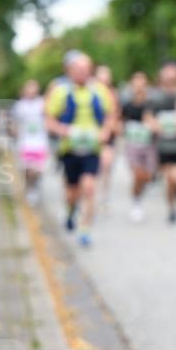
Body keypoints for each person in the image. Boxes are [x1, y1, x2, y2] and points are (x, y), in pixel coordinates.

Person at [45, 51, 115, 247]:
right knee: (72, 192)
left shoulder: (100, 90)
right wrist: (63, 130)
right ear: (70, 71)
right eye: (79, 69)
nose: (83, 73)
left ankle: (85, 229)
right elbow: (49, 119)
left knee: (90, 187)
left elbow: (111, 114)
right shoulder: (61, 92)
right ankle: (70, 210)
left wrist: (105, 132)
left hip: (92, 148)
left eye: (86, 69)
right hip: (70, 148)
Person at [149, 61, 176, 224]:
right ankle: (172, 208)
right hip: (163, 145)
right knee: (170, 179)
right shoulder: (155, 96)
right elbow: (148, 117)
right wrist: (156, 126)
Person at [120, 72, 156, 223]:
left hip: (149, 144)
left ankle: (139, 193)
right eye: (136, 85)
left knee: (147, 176)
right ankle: (136, 201)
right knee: (137, 174)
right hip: (133, 144)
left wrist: (152, 124)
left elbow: (156, 123)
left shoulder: (151, 104)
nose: (139, 88)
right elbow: (120, 122)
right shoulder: (127, 105)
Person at [11, 79, 49, 207]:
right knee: (27, 170)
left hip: (39, 142)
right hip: (25, 142)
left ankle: (35, 187)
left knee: (37, 169)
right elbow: (14, 123)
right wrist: (14, 131)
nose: (31, 91)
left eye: (34, 88)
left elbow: (50, 118)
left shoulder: (43, 104)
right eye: (29, 88)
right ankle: (30, 188)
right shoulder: (20, 106)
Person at [94, 64, 120, 210]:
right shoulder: (90, 93)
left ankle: (104, 196)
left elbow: (115, 115)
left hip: (108, 135)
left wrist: (110, 128)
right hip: (91, 135)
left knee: (106, 165)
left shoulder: (112, 94)